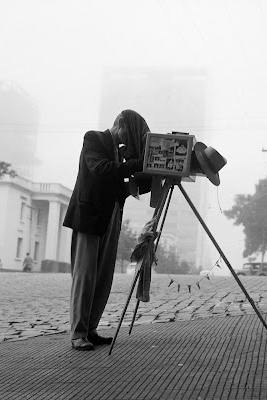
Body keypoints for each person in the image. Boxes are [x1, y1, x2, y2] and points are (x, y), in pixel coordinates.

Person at [63, 109, 151, 351]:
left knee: (103, 276)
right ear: (119, 124)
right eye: (128, 134)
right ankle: (78, 333)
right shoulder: (94, 139)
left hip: (111, 214)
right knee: (85, 275)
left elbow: (123, 186)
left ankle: (90, 329)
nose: (128, 141)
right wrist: (134, 164)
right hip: (90, 216)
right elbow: (100, 170)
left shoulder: (120, 153)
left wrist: (151, 175)